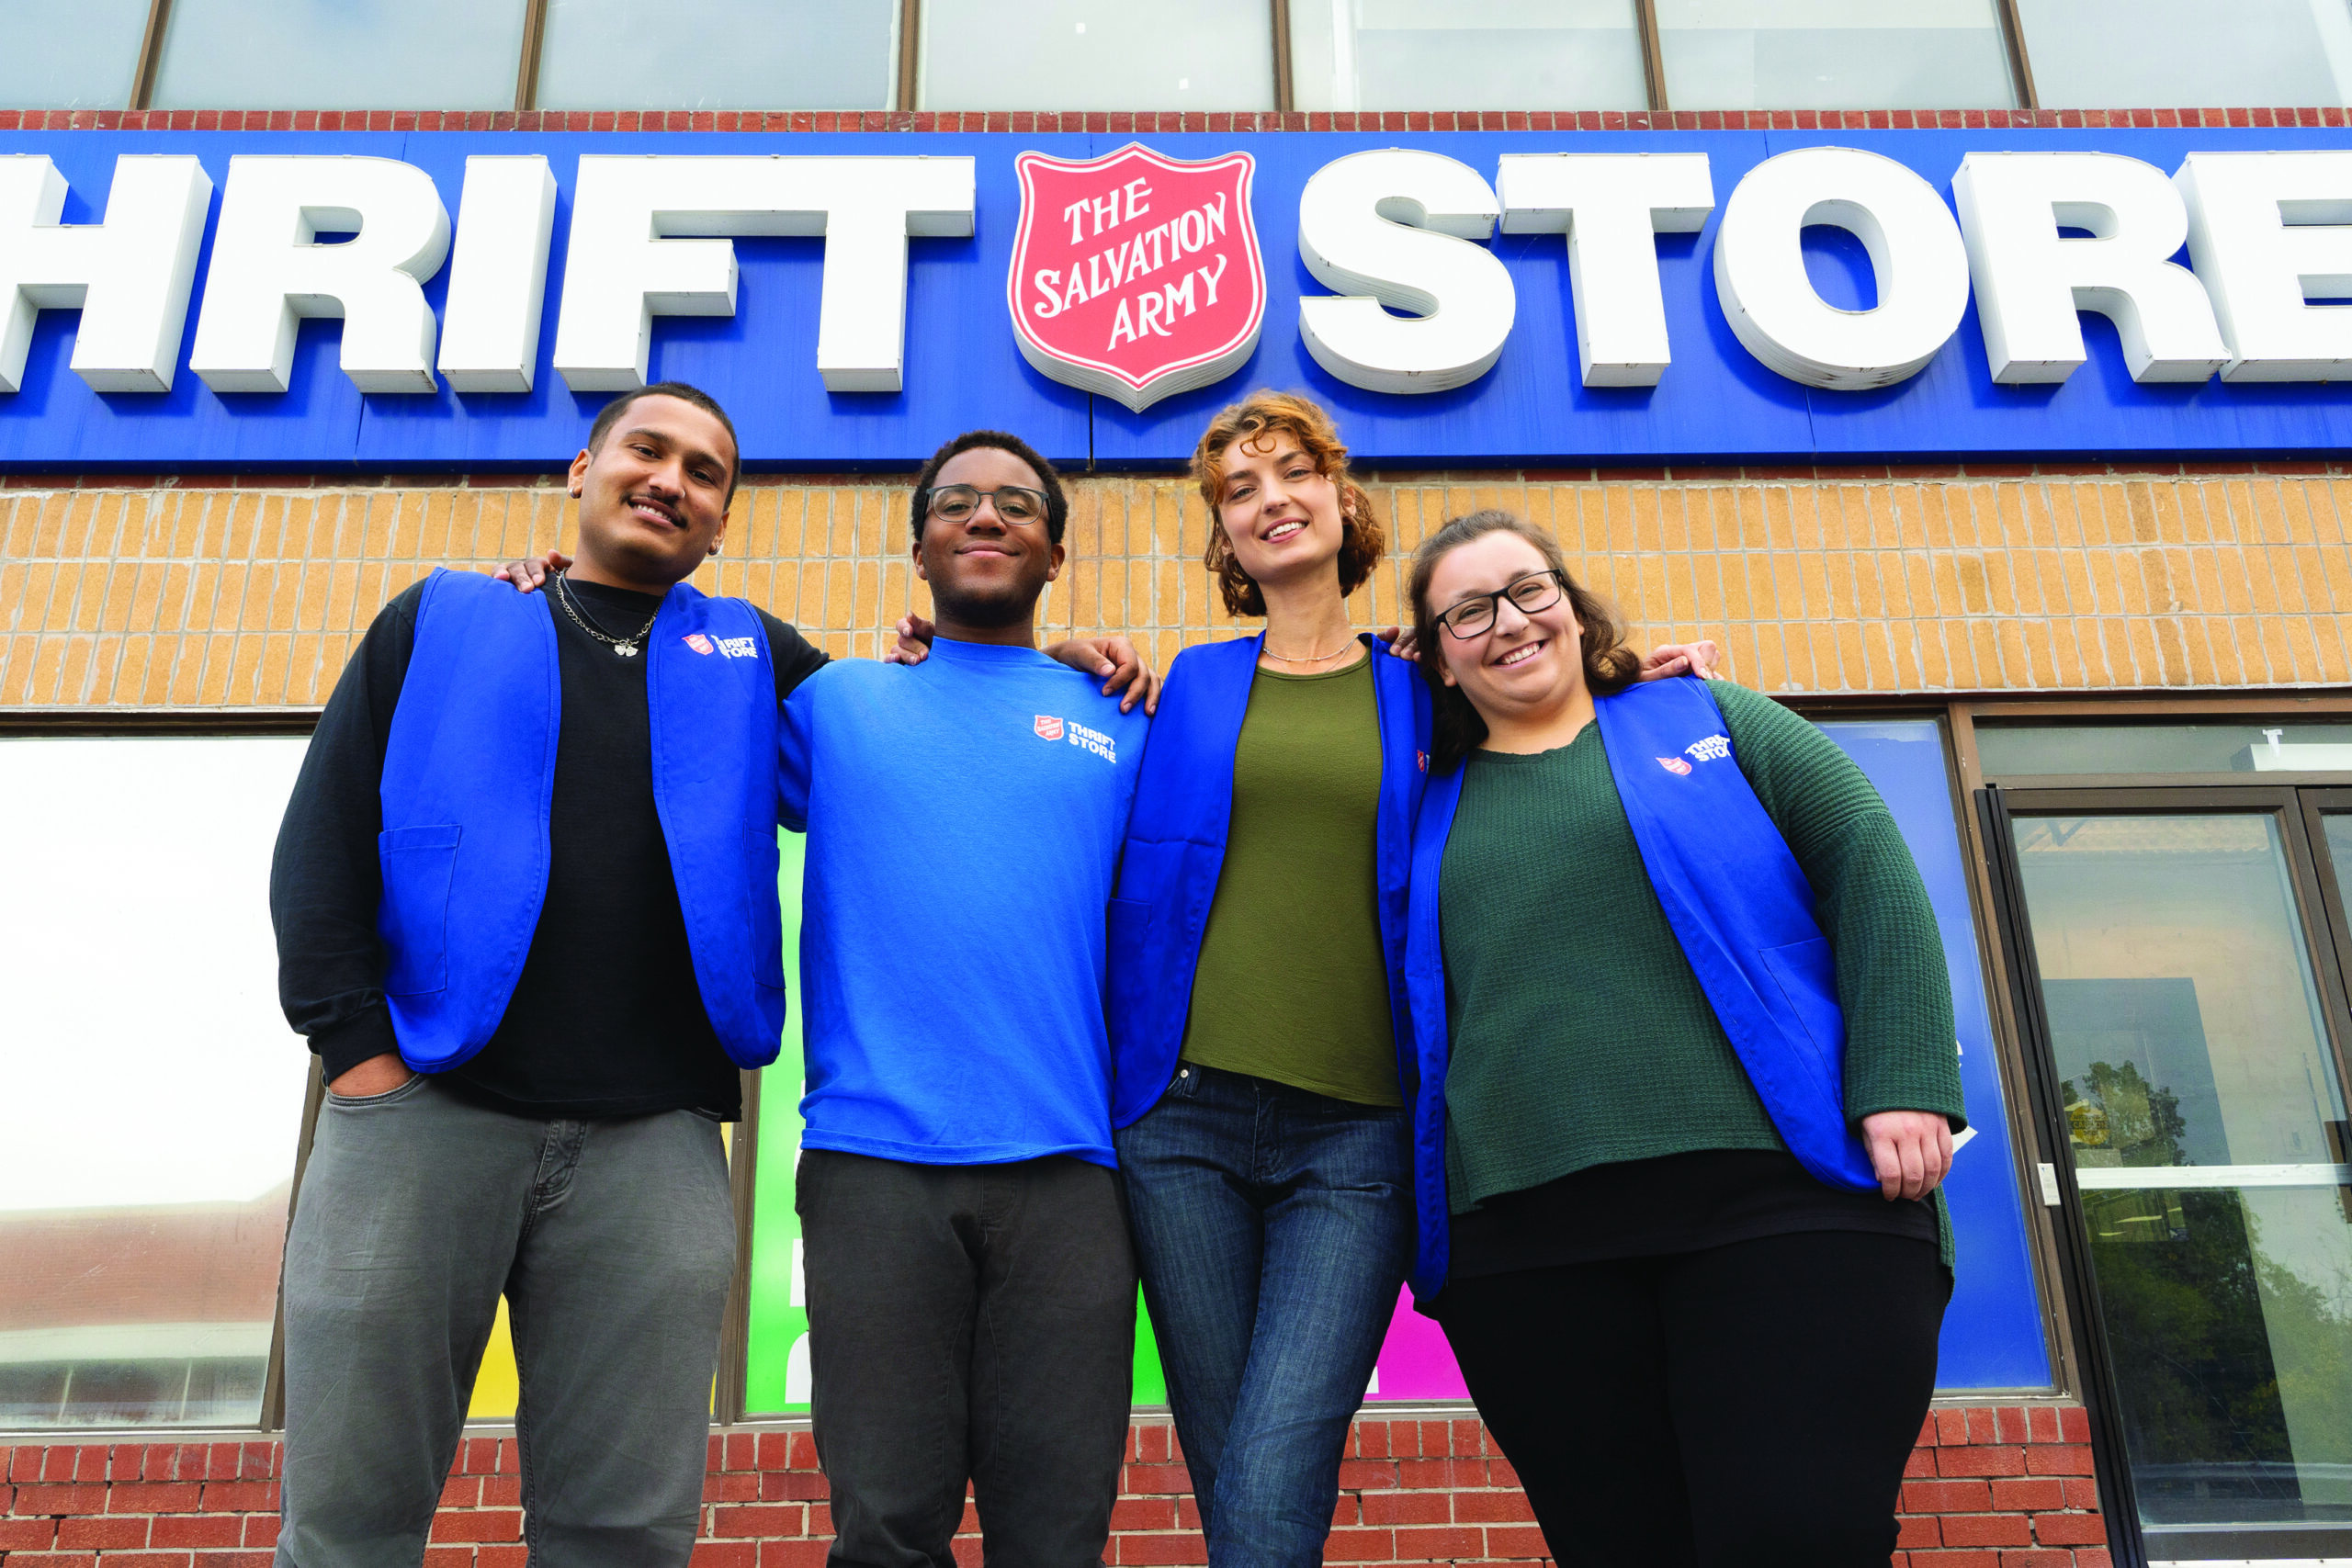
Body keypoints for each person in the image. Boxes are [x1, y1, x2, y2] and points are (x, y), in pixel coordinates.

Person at [273, 386, 1148, 1568]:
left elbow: (951, 735)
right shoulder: (455, 620)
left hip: (659, 1141)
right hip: (432, 1105)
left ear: (723, 520)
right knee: (352, 1518)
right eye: (647, 451)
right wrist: (357, 1060)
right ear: (580, 469)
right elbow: (321, 842)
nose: (670, 480)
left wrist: (1068, 656)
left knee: (626, 1527)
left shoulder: (751, 662)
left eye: (704, 471)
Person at [1103, 394, 1718, 1568]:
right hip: (1176, 1120)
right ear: (1224, 542)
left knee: (1282, 1448)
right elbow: (1058, 741)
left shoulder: (1418, 683)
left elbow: (1540, 694)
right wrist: (1072, 653)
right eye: (1238, 491)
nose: (1268, 499)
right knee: (1223, 1447)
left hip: (1361, 1136)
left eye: (1291, 474)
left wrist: (1637, 680)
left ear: (1343, 502)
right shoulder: (1185, 683)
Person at [1399, 509, 1966, 1568]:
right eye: (1465, 612)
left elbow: (1868, 859)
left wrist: (1904, 1077)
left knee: (1797, 1535)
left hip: (1784, 1206)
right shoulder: (1414, 799)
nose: (1508, 622)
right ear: (1432, 656)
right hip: (1525, 1246)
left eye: (1528, 589)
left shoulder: (1706, 715)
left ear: (1569, 602)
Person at [781, 430, 1151, 1568]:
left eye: (1016, 505)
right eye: (955, 502)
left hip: (1072, 1175)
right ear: (920, 545)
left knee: (1057, 1534)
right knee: (887, 1527)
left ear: (1053, 557)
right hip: (873, 1166)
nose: (984, 517)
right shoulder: (837, 702)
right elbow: (656, 716)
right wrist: (537, 591)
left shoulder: (1129, 716)